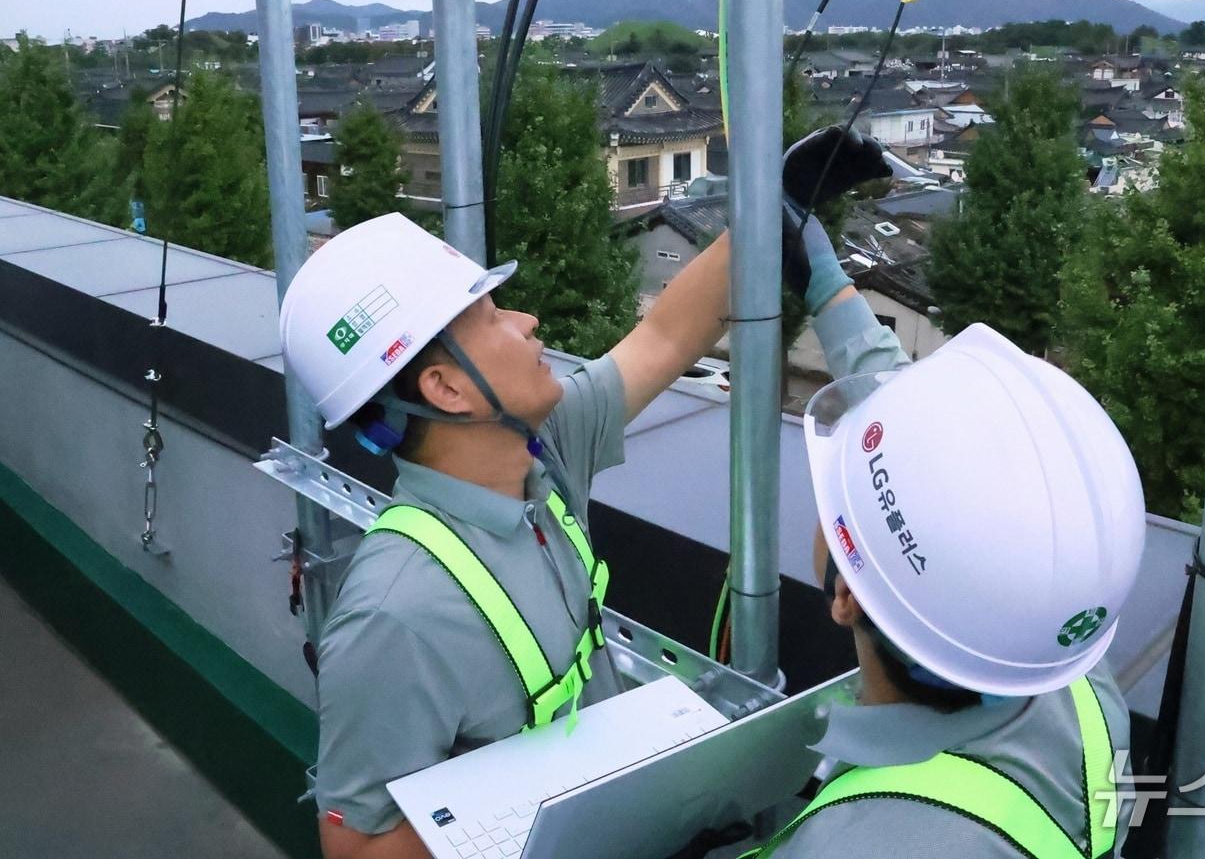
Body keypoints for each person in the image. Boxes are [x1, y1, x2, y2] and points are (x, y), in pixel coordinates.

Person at [277, 128, 888, 859]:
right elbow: (355, 847)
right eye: (494, 315)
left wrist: (772, 213)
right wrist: (538, 809)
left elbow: (664, 336)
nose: (527, 321)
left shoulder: (543, 452)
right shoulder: (396, 612)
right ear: (445, 387)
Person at [737, 209, 1147, 859]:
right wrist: (825, 282)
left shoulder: (845, 847)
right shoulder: (1080, 693)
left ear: (844, 594)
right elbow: (953, 458)